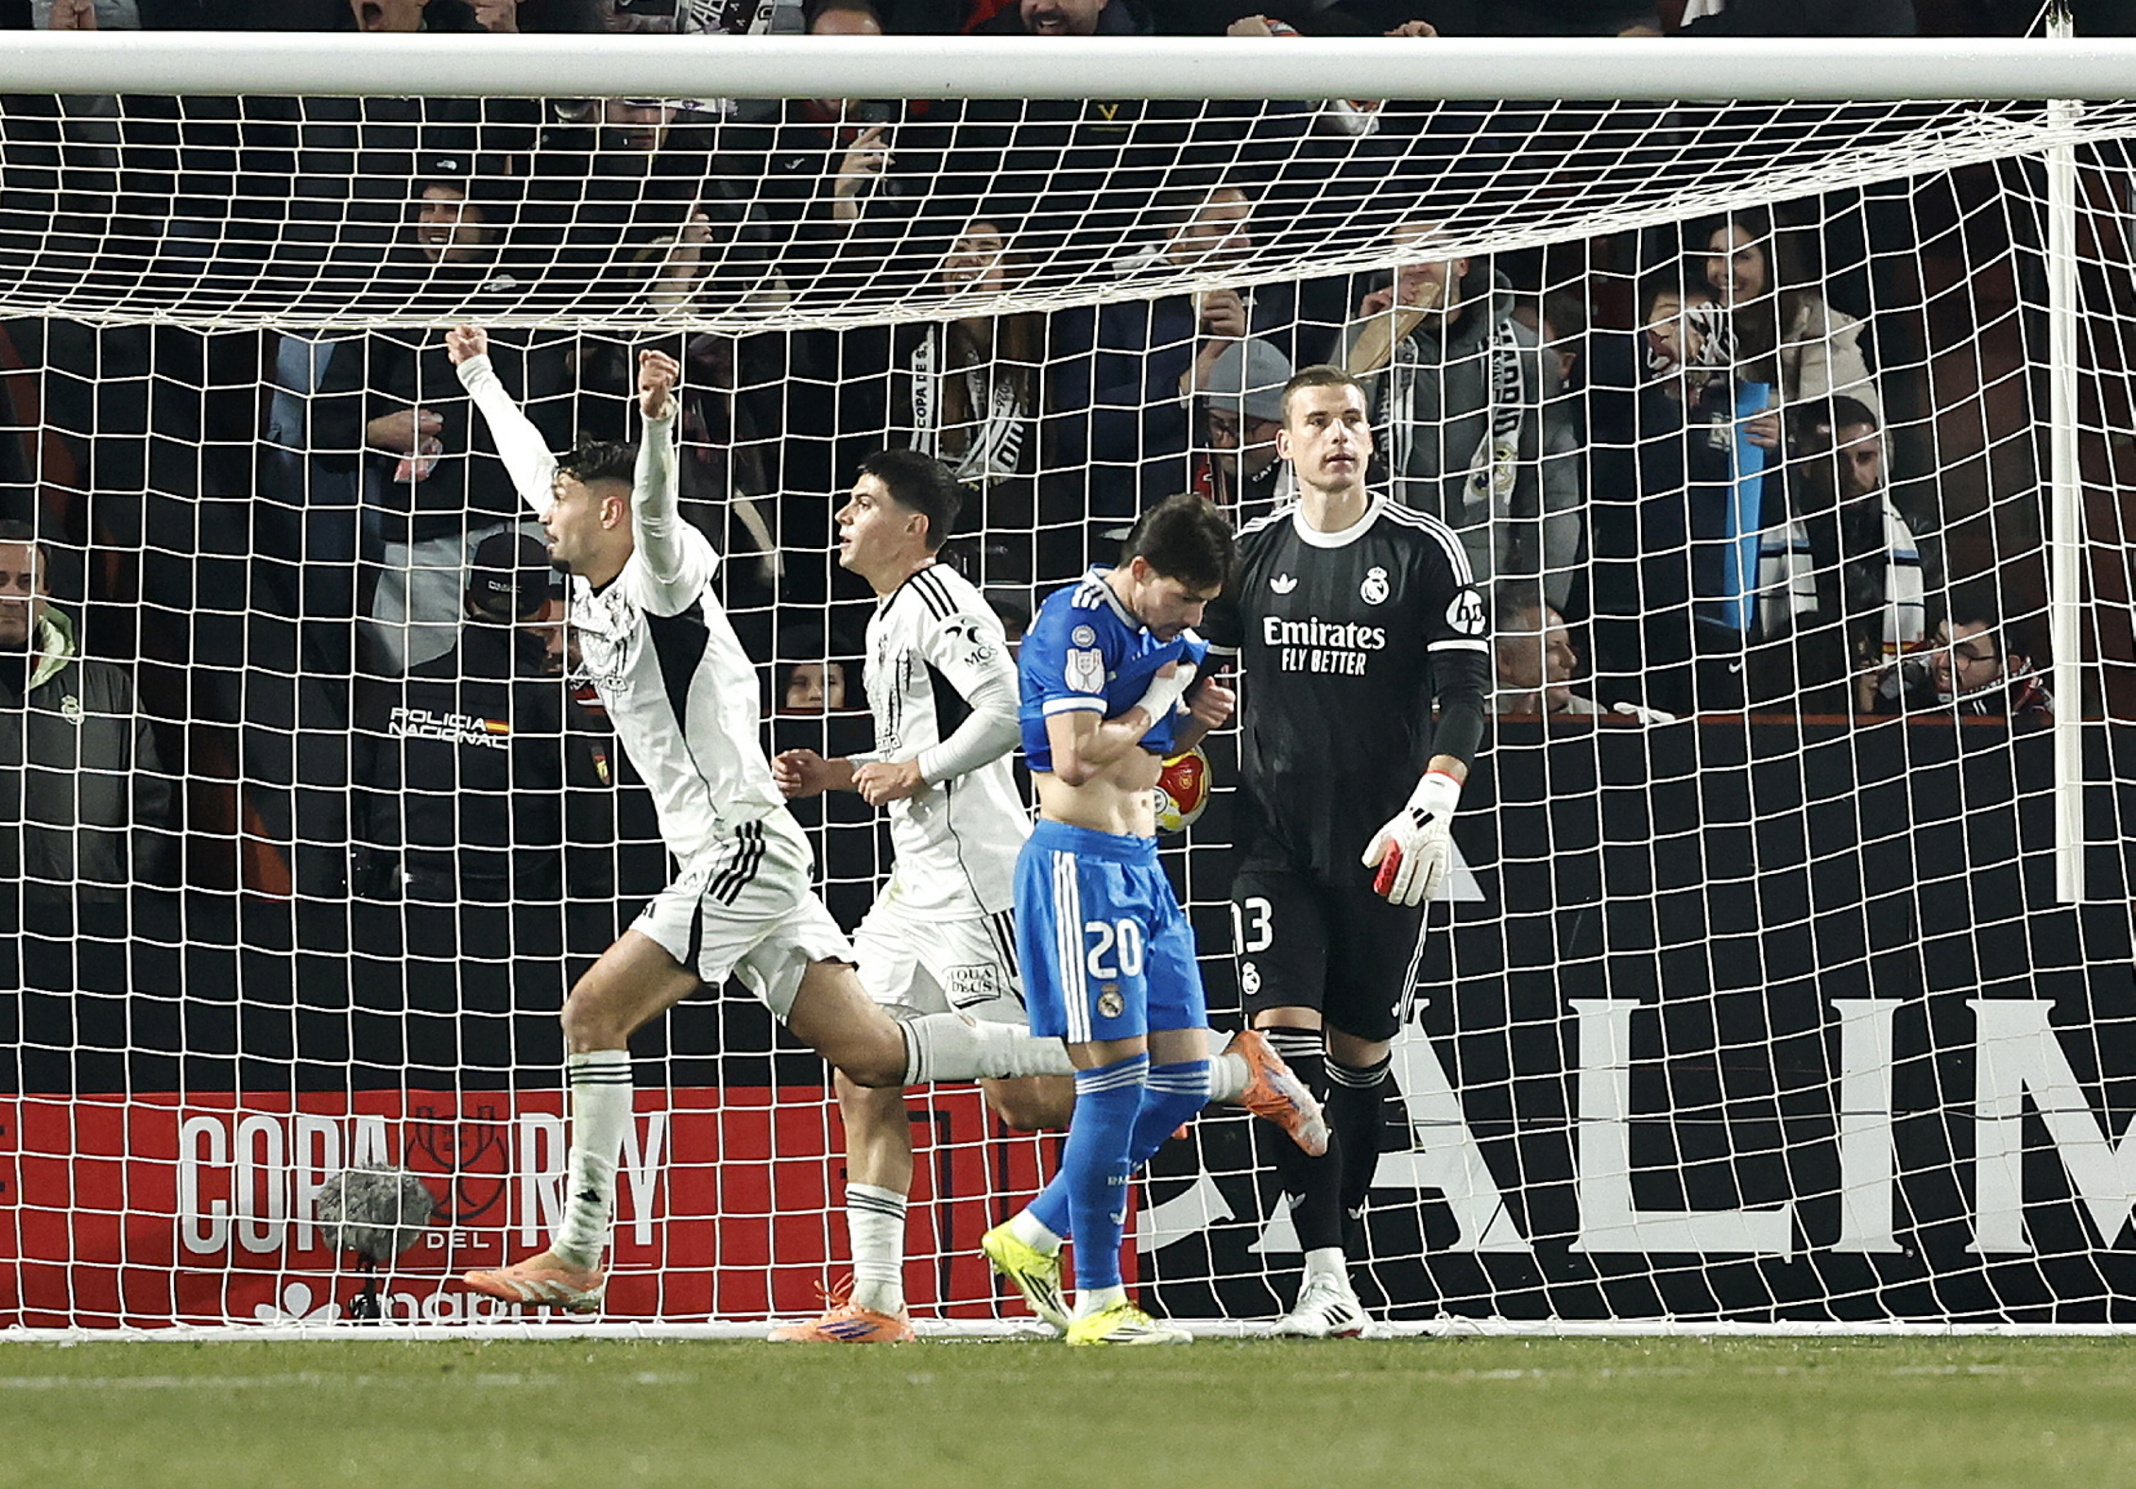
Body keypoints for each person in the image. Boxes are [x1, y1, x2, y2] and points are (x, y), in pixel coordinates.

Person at [444, 326, 1078, 1314]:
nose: (546, 515)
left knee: (592, 1014)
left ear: (609, 508)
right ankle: (1137, 1081)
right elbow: (539, 465)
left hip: (739, 849)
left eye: (565, 503)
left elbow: (651, 511)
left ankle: (579, 1248)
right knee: (869, 1055)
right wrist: (478, 373)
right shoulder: (591, 562)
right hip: (745, 854)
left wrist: (657, 428)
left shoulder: (661, 571)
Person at [981, 492, 1329, 1347]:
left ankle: (1033, 1233)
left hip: (1144, 867)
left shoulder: (1173, 637)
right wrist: (1153, 710)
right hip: (1077, 867)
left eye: (1207, 604)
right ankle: (1100, 1300)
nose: (1195, 618)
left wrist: (1187, 724)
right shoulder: (1077, 623)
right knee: (1113, 1080)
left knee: (1178, 1077)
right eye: (1184, 599)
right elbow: (1071, 754)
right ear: (1140, 571)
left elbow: (1149, 757)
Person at [1199, 365, 1490, 1337]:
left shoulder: (1424, 553)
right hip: (1273, 843)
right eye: (1316, 421)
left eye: (1352, 422)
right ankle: (1323, 1274)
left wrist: (1433, 804)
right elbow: (1195, 665)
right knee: (1284, 1052)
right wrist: (1179, 724)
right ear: (1282, 444)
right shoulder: (1247, 554)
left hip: (1386, 846)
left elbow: (1463, 696)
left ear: (1373, 440)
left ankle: (1338, 1236)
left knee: (1360, 1058)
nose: (1336, 436)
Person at [766, 449, 1077, 1342]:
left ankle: (1194, 1075)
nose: (843, 514)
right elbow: (909, 757)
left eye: (862, 502)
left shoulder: (941, 598)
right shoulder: (885, 616)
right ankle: (877, 1300)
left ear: (913, 527)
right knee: (861, 1064)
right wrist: (837, 773)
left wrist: (919, 766)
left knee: (1027, 1103)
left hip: (982, 885)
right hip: (915, 888)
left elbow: (1010, 710)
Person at [350, 530, 601, 906]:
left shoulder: (399, 689)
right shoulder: (547, 702)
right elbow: (589, 829)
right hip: (513, 923)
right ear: (546, 610)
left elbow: (352, 795)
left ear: (467, 600)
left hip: (394, 915)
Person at [1342, 220, 1579, 595]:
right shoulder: (1366, 341)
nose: (1415, 266)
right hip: (1382, 571)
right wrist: (1362, 340)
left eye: (1429, 252)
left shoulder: (1526, 353)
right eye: (1405, 254)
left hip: (1485, 582)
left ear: (1463, 263)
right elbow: (1330, 443)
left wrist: (1543, 595)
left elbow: (1553, 485)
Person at [0, 521, 172, 900]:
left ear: (46, 592)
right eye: (0, 580)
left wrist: (113, 892)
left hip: (84, 929)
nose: (12, 596)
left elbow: (151, 804)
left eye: (26, 582)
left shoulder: (109, 689)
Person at [1869, 602, 2052, 723]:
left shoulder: (2041, 712)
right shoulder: (1904, 681)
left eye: (1963, 654)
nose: (1942, 662)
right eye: (1940, 644)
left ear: (2009, 665)